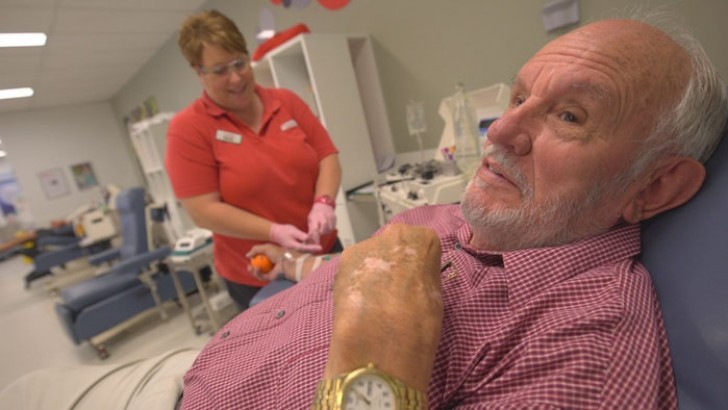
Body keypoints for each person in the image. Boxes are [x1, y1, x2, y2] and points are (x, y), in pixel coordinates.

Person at [1, 12, 726, 410]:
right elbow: (203, 205)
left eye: (568, 115)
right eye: (515, 98)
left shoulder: (585, 348)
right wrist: (299, 259)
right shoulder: (463, 223)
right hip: (192, 363)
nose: (498, 132)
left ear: (656, 189)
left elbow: (327, 158)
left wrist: (378, 362)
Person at [164, 9, 343, 310]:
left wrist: (323, 203)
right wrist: (273, 231)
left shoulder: (285, 102)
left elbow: (327, 154)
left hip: (321, 251)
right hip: (260, 273)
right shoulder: (188, 129)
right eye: (220, 70)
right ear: (199, 72)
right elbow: (204, 211)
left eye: (240, 63)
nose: (236, 78)